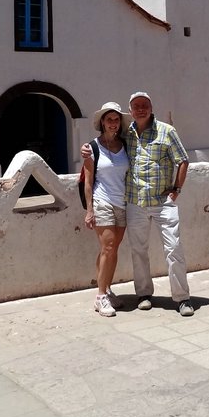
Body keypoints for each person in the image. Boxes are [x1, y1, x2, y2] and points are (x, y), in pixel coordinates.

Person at [82, 91, 194, 316]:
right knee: (132, 250)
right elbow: (92, 167)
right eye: (136, 106)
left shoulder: (161, 132)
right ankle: (137, 294)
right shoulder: (118, 137)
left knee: (173, 248)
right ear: (130, 111)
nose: (140, 109)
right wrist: (86, 150)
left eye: (145, 105)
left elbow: (183, 160)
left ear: (151, 108)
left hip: (159, 202)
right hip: (131, 202)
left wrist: (177, 189)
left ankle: (182, 298)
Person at [83, 102, 131, 317]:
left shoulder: (126, 145)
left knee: (112, 250)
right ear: (102, 121)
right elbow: (88, 181)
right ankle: (101, 296)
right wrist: (89, 210)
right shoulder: (92, 148)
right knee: (108, 247)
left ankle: (107, 289)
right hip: (103, 201)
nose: (113, 123)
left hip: (123, 202)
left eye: (116, 119)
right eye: (109, 119)